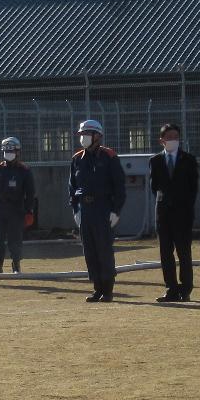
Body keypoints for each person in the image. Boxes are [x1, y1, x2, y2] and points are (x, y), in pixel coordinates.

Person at [69, 117, 125, 303]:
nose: (83, 137)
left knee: (104, 249)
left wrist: (116, 211)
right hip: (85, 209)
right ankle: (97, 288)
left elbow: (119, 186)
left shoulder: (109, 157)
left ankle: (107, 289)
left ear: (97, 136)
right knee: (90, 250)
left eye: (87, 134)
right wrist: (76, 208)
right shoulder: (77, 159)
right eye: (82, 134)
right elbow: (72, 187)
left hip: (103, 208)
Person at [149, 121, 198, 301]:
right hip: (163, 213)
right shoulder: (155, 161)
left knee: (184, 252)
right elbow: (154, 187)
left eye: (176, 137)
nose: (173, 140)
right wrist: (165, 200)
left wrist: (185, 207)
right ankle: (171, 288)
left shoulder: (189, 160)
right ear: (161, 140)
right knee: (165, 252)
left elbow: (194, 188)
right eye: (169, 138)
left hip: (183, 213)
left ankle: (185, 289)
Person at [0, 137, 36, 276]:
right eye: (6, 151)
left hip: (16, 209)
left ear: (18, 152)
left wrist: (29, 211)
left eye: (11, 150)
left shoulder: (24, 171)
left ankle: (16, 265)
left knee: (15, 240)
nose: (8, 153)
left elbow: (30, 194)